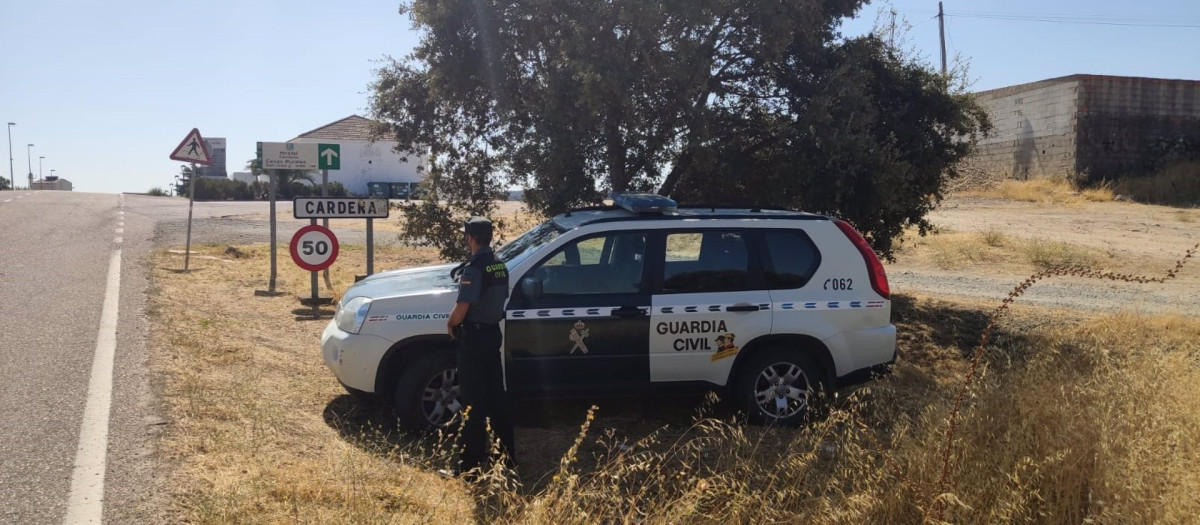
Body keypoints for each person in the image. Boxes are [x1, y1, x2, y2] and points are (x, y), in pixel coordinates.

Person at [446, 216, 515, 476]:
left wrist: (450, 323)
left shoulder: (474, 269)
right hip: (492, 334)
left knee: (473, 402)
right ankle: (506, 458)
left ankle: (470, 466)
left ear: (470, 238)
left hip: (473, 338)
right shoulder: (500, 266)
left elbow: (462, 309)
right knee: (497, 397)